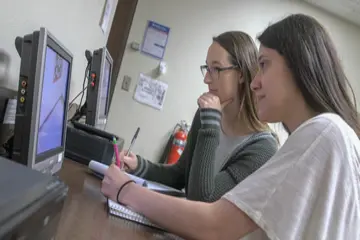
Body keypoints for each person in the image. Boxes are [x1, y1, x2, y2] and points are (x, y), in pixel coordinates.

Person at [102, 13, 360, 239]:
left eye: (264, 65)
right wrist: (138, 169)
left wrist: (126, 189)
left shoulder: (323, 133)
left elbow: (214, 222)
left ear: (301, 65)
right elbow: (184, 179)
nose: (255, 82)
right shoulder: (324, 136)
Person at [120, 31, 278, 202]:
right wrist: (138, 165)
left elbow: (202, 199)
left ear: (241, 74)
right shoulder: (206, 116)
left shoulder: (263, 148)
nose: (207, 79)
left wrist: (210, 125)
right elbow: (179, 175)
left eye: (216, 69)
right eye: (207, 69)